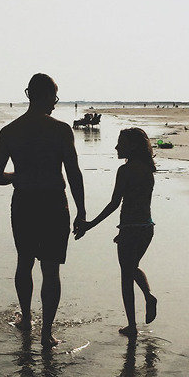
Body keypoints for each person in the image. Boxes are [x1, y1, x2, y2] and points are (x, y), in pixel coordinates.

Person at [0, 73, 86, 348]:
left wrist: (17, 175)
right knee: (51, 269)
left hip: (25, 203)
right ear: (42, 96)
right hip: (55, 203)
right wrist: (82, 210)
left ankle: (27, 319)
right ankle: (46, 333)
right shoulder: (61, 130)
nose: (55, 104)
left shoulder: (9, 131)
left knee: (24, 261)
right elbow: (74, 173)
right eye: (54, 97)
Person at [75, 128, 157, 337]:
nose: (116, 147)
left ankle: (132, 325)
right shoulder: (148, 169)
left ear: (133, 146)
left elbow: (114, 204)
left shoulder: (125, 170)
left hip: (130, 229)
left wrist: (90, 224)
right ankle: (148, 297)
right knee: (132, 267)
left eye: (121, 143)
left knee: (126, 277)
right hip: (147, 227)